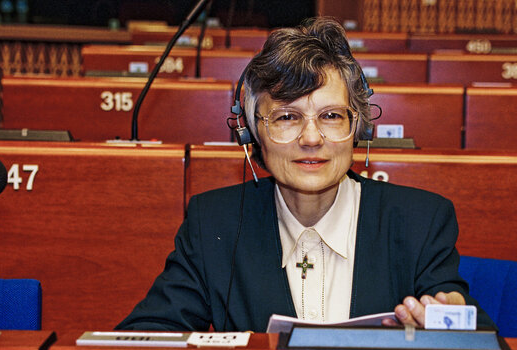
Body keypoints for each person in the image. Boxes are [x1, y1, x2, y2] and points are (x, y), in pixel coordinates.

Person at [117, 17, 494, 332]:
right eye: (286, 117)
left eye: (331, 116)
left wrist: (449, 316)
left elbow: (473, 330)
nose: (311, 138)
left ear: (358, 128)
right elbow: (146, 339)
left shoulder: (420, 220)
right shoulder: (213, 222)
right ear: (251, 132)